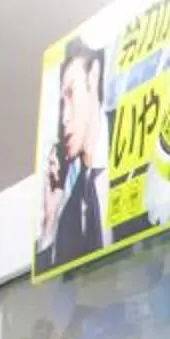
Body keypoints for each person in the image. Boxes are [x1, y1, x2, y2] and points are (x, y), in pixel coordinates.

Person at [41, 37, 111, 268]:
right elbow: (55, 294)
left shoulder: (138, 143)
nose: (65, 118)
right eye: (62, 102)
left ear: (94, 75)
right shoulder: (69, 211)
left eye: (71, 93)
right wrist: (50, 219)